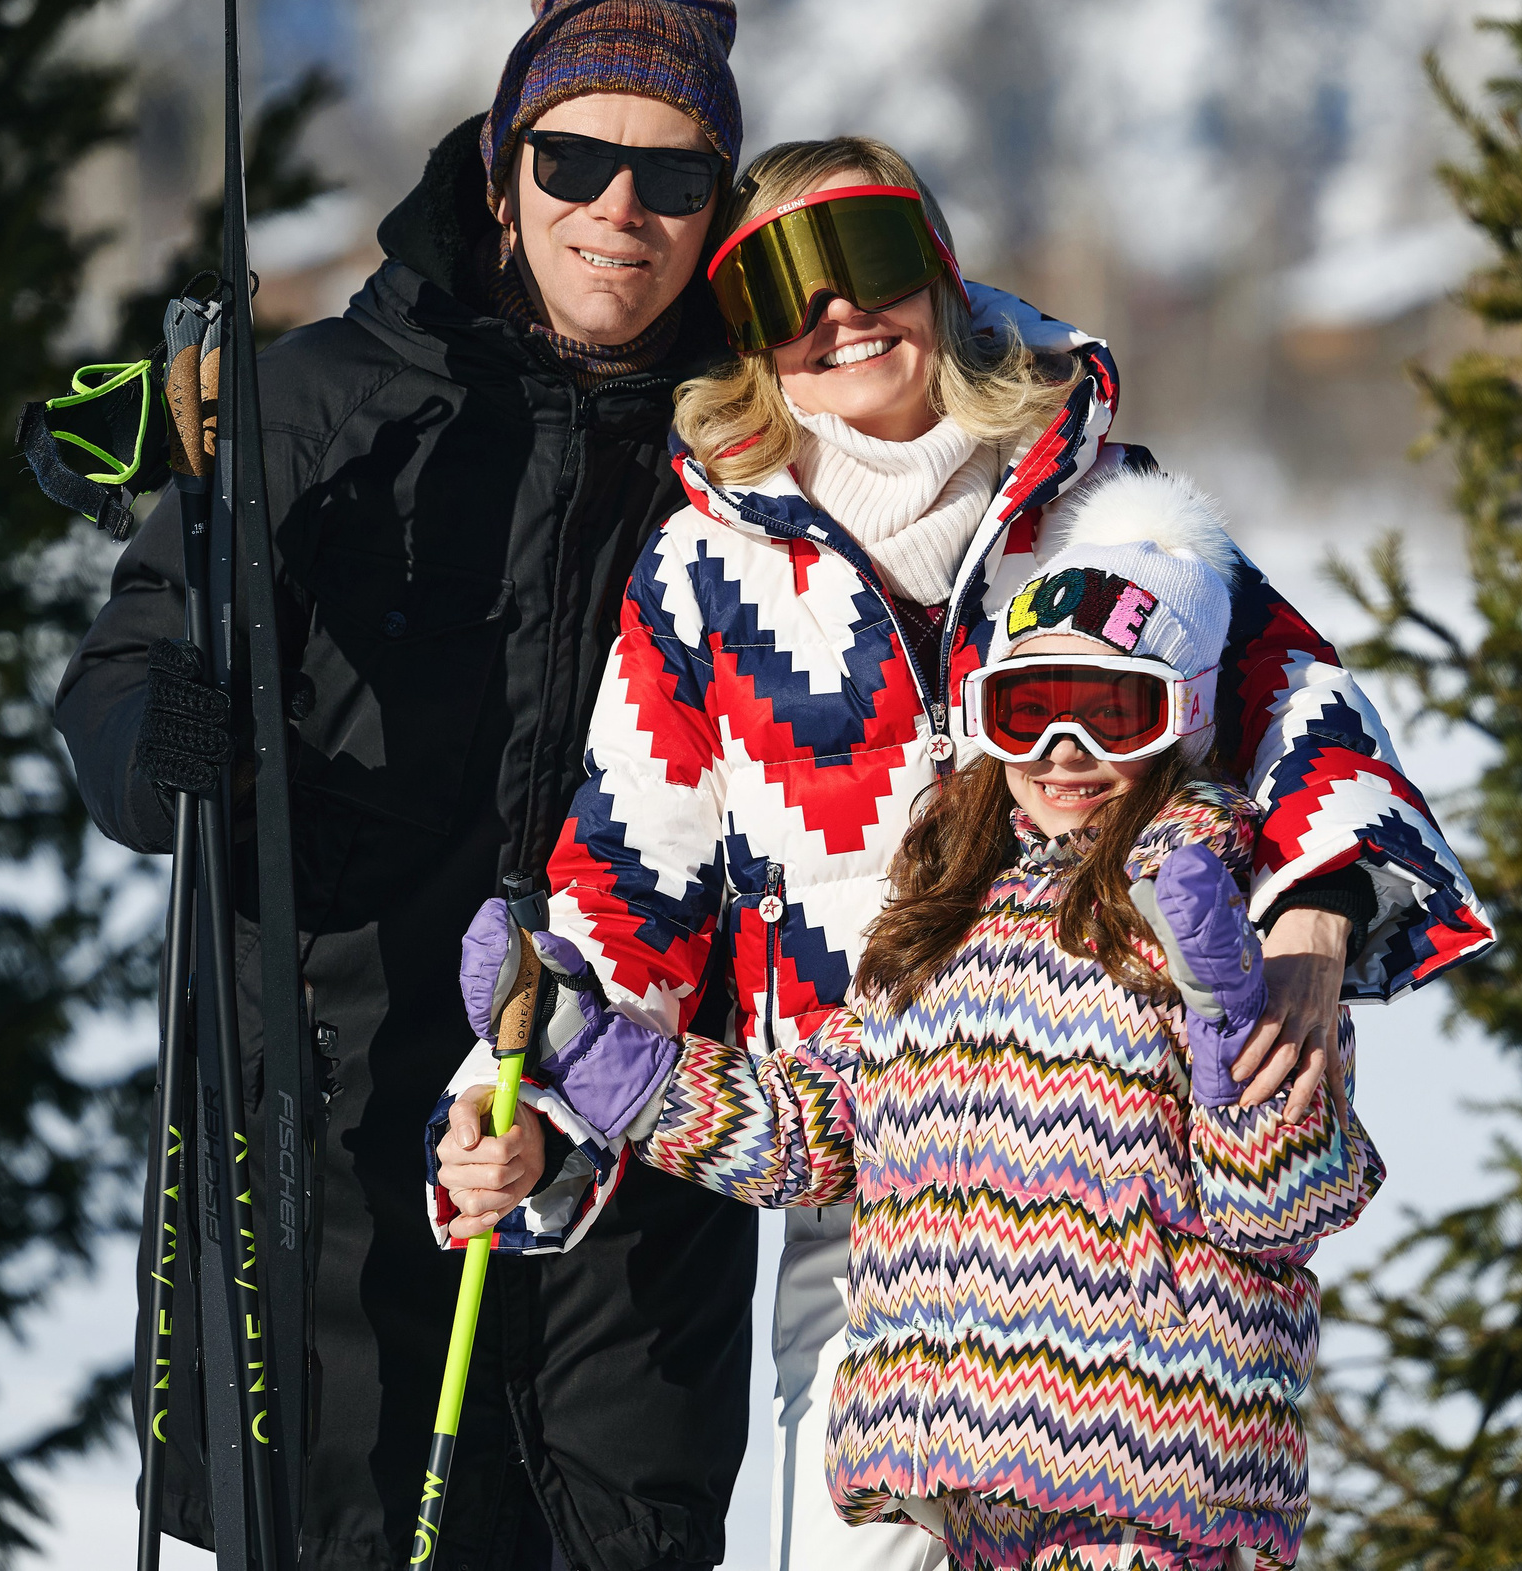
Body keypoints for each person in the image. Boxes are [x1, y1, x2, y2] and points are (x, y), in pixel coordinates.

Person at [435, 138, 1494, 1570]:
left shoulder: (1107, 518)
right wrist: (529, 1092)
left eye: (870, 262)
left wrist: (1314, 917)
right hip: (859, 1171)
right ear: (744, 330)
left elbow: (1307, 713)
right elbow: (632, 872)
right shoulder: (707, 568)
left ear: (936, 271)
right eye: (782, 287)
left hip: (1136, 1182)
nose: (840, 316)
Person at [56, 0, 763, 1570]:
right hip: (328, 1107)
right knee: (340, 1523)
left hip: (634, 1118)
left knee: (616, 1532)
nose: (620, 211)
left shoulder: (758, 443)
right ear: (504, 169)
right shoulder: (313, 408)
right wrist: (162, 747)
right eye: (577, 161)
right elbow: (123, 672)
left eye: (673, 175)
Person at [450, 472, 1380, 1570]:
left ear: (1182, 711)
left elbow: (1290, 1208)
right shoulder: (939, 916)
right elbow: (813, 1128)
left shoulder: (1222, 915)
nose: (1063, 752)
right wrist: (590, 1049)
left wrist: (1235, 1047)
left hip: (1145, 1491)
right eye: (1028, 711)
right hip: (954, 1481)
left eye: (1111, 708)